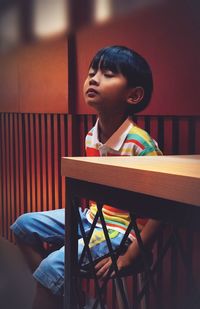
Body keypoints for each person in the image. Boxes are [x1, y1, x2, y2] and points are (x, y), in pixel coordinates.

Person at [10, 45, 162, 309]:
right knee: (23, 226)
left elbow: (162, 210)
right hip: (93, 217)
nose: (93, 78)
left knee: (51, 267)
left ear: (134, 95)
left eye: (108, 73)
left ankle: (56, 282)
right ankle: (70, 294)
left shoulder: (141, 145)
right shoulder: (91, 136)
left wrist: (133, 254)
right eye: (91, 72)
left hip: (122, 231)